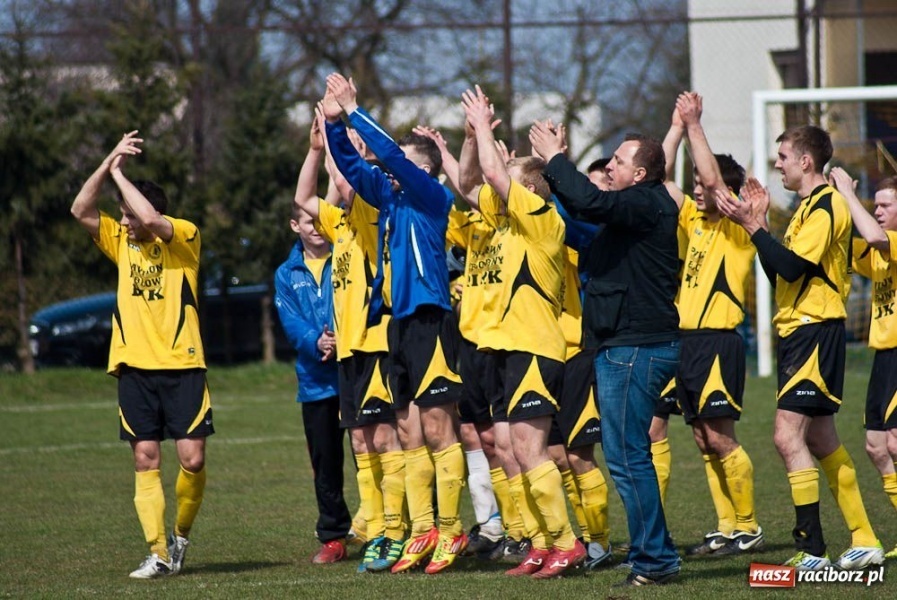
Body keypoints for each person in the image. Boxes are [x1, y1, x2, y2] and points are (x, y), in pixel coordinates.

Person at [716, 125, 883, 570]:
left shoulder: (827, 205)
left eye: (783, 157)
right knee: (824, 440)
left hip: (814, 330)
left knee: (785, 436)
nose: (777, 165)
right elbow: (782, 276)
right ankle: (865, 539)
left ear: (806, 161)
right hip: (800, 331)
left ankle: (812, 550)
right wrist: (762, 226)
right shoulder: (805, 210)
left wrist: (752, 227)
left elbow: (791, 267)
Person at [324, 74, 467, 575]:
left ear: (422, 168)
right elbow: (349, 165)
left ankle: (452, 530)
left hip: (430, 320)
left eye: (398, 165)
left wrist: (356, 109)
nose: (385, 171)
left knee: (437, 426)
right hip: (396, 327)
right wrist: (333, 120)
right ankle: (423, 528)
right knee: (407, 430)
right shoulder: (389, 200)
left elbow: (392, 157)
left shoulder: (430, 196)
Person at [530, 122, 681, 586]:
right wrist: (549, 185)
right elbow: (582, 219)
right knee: (627, 453)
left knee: (627, 455)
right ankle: (657, 556)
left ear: (639, 174)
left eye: (617, 161)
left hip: (636, 347)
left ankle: (653, 562)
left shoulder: (644, 201)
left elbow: (591, 202)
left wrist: (556, 158)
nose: (608, 166)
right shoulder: (631, 214)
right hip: (627, 345)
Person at [70, 131, 211, 579]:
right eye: (123, 217)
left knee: (193, 460)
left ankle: (180, 538)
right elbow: (81, 209)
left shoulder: (184, 237)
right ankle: (158, 553)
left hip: (183, 365)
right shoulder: (122, 242)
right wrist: (108, 162)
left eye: (127, 216)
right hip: (134, 368)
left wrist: (119, 176)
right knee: (145, 458)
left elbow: (149, 218)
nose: (124, 223)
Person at [459, 85, 585, 578]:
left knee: (531, 449)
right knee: (511, 450)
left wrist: (487, 126)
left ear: (529, 190)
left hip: (534, 347)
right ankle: (540, 543)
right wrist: (473, 135)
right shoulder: (505, 222)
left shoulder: (540, 217)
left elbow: (493, 173)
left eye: (510, 181)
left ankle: (567, 543)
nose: (499, 188)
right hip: (505, 348)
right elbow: (472, 183)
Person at [292, 108, 406, 574]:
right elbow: (304, 196)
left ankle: (395, 531)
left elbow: (349, 179)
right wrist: (316, 150)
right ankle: (377, 529)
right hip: (349, 351)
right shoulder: (338, 228)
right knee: (361, 444)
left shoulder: (370, 212)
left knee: (383, 441)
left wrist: (345, 144)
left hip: (375, 343)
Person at [660, 92, 764, 557]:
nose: (698, 190)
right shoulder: (694, 223)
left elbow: (708, 177)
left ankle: (749, 526)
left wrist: (697, 124)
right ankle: (727, 526)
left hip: (719, 341)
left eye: (706, 187)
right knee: (703, 438)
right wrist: (677, 127)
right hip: (688, 342)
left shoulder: (736, 224)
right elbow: (659, 178)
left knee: (721, 436)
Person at [274, 201, 353, 563]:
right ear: (295, 225)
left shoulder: (347, 255)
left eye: (322, 220)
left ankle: (390, 529)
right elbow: (289, 320)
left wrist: (343, 336)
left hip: (356, 371)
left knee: (376, 455)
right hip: (316, 380)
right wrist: (316, 341)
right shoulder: (286, 273)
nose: (317, 227)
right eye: (309, 221)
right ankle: (334, 537)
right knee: (326, 462)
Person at [829, 168, 897, 560]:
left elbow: (873, 235)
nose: (880, 210)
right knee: (876, 447)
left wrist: (849, 193)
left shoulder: (889, 240)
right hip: (884, 357)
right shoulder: (880, 252)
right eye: (878, 204)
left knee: (893, 441)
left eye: (887, 204)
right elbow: (846, 242)